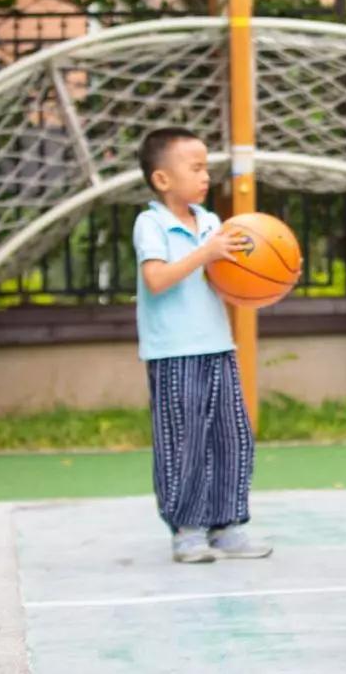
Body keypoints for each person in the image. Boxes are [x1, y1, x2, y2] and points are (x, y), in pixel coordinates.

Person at [133, 127, 272, 564]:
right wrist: (205, 255)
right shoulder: (151, 223)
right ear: (162, 180)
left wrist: (271, 272)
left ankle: (227, 526)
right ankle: (187, 529)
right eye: (195, 168)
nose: (205, 175)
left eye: (206, 167)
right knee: (183, 440)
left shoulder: (212, 223)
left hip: (218, 346)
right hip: (172, 352)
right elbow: (156, 280)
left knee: (233, 435)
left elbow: (231, 279)